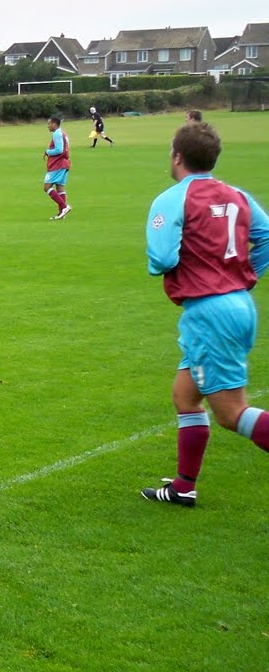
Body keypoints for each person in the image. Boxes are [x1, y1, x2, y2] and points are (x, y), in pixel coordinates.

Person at [140, 119, 269, 507]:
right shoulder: (237, 194)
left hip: (209, 312)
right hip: (238, 304)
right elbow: (265, 236)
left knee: (231, 413)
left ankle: (184, 486)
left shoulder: (172, 198)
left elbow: (162, 257)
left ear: (176, 156)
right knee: (185, 395)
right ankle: (183, 487)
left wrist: (175, 268)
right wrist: (243, 275)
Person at [42, 115, 71, 220]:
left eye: (49, 123)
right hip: (64, 163)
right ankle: (61, 213)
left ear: (54, 124)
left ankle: (64, 207)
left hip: (57, 164)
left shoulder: (57, 134)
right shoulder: (63, 133)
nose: (48, 126)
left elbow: (59, 150)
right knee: (60, 188)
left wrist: (47, 151)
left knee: (46, 187)